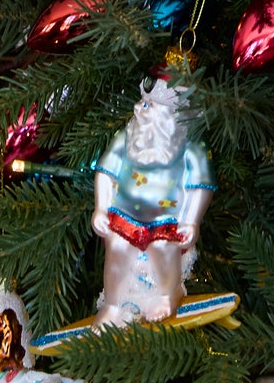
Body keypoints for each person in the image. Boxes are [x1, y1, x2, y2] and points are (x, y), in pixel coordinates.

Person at [92, 77, 216, 326]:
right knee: (116, 249)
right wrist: (101, 208)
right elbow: (105, 173)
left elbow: (200, 187)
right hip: (123, 215)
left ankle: (167, 294)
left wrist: (191, 221)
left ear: (170, 116)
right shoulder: (127, 137)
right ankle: (113, 305)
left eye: (148, 104)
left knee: (163, 250)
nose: (138, 108)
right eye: (141, 101)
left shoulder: (190, 146)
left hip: (166, 222)